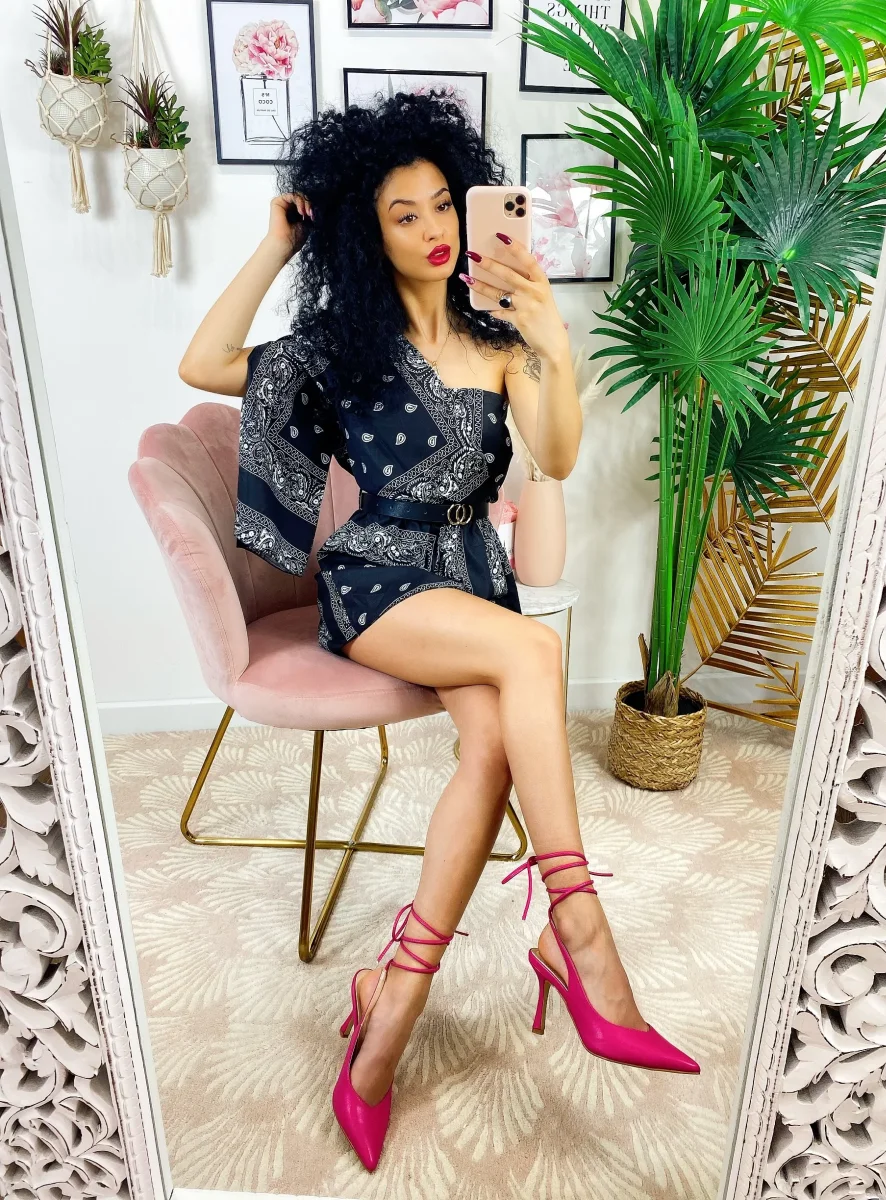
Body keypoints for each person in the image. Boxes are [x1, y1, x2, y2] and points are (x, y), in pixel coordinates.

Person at [178, 90, 699, 1174]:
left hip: (471, 578)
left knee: (495, 743)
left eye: (441, 204)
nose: (432, 228)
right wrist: (277, 245)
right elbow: (205, 361)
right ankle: (579, 930)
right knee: (535, 650)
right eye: (402, 214)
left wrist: (551, 336)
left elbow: (558, 457)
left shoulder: (501, 338)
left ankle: (388, 1010)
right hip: (376, 579)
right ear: (366, 236)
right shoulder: (338, 349)